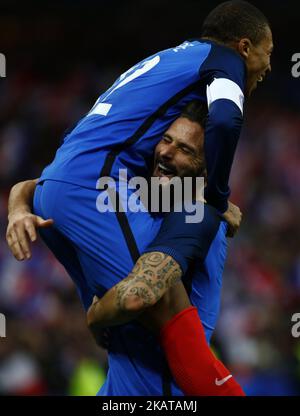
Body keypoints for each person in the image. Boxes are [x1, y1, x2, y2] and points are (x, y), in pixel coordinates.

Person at [7, 101, 243, 395]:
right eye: (166, 140)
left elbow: (137, 297)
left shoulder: (196, 216)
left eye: (185, 150)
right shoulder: (153, 200)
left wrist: (94, 318)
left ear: (206, 171)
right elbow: (49, 185)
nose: (167, 152)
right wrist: (17, 209)